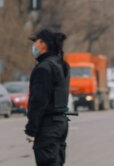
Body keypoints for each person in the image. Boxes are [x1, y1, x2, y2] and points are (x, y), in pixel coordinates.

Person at [25, 28, 70, 166]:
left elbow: (38, 101)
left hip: (48, 127)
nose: (34, 45)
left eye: (36, 42)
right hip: (61, 123)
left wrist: (31, 129)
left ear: (43, 44)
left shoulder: (44, 68)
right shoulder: (61, 64)